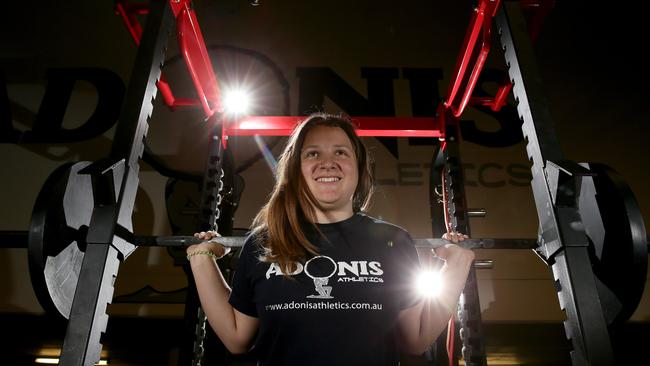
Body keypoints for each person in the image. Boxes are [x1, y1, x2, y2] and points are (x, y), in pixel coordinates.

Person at [186, 113, 475, 365]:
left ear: (359, 168)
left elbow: (418, 338)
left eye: (340, 153)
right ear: (295, 170)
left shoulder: (392, 240)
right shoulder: (264, 243)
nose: (328, 163)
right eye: (313, 153)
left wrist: (457, 264)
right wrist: (201, 259)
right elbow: (236, 337)